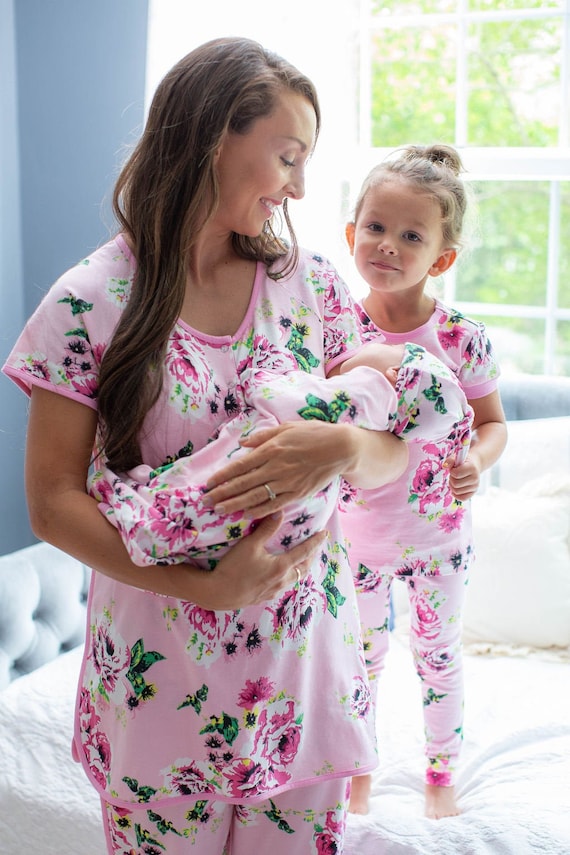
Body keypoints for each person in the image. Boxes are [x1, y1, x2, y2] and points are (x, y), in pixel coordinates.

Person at [2, 38, 409, 855]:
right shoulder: (88, 302)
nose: (298, 186)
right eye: (287, 156)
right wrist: (205, 585)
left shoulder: (311, 284)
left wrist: (338, 447)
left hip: (302, 682)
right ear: (212, 137)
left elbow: (393, 456)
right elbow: (51, 503)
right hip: (162, 687)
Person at [341, 143, 508, 819]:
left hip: (438, 537)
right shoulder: (334, 329)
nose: (387, 245)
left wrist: (477, 459)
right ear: (352, 234)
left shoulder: (461, 338)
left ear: (442, 257)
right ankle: (356, 770)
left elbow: (493, 423)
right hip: (354, 539)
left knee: (438, 655)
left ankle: (440, 772)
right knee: (361, 659)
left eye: (411, 235)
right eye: (376, 227)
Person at [91, 342, 472, 570]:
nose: (372, 342)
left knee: (214, 488)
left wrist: (266, 373)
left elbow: (290, 400)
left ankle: (152, 516)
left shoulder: (372, 389)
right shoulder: (380, 413)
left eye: (388, 346)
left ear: (395, 374)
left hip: (271, 456)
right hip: (295, 533)